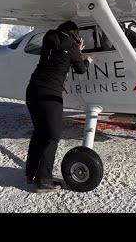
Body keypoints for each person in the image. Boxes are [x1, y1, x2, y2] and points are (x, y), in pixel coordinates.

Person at [25, 20, 94, 192]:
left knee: (39, 133)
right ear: (74, 35)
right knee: (51, 137)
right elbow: (80, 69)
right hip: (50, 96)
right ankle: (43, 181)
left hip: (32, 91)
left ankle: (30, 173)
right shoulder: (71, 47)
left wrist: (74, 50)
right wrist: (85, 59)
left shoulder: (49, 40)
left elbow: (60, 55)